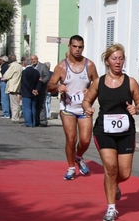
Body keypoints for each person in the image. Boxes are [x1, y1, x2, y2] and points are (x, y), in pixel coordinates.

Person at [82, 43, 139, 221]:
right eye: (114, 58)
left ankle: (114, 184)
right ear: (107, 61)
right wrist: (88, 109)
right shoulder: (98, 82)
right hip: (104, 131)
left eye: (121, 58)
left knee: (124, 173)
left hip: (126, 132)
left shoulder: (130, 82)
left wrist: (137, 109)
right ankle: (111, 208)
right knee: (110, 168)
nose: (118, 62)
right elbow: (87, 101)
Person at [47, 35, 98, 180]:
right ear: (69, 47)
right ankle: (71, 168)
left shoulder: (89, 65)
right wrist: (58, 87)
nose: (77, 50)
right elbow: (49, 86)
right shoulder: (62, 66)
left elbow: (98, 83)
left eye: (80, 47)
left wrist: (90, 90)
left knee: (86, 140)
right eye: (74, 46)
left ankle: (78, 156)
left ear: (83, 48)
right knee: (71, 139)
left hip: (84, 108)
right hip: (68, 108)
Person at [20, 57, 41, 127]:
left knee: (27, 108)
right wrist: (36, 90)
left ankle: (28, 123)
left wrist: (31, 90)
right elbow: (39, 82)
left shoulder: (24, 72)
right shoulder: (36, 72)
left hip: (27, 93)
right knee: (33, 108)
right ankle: (34, 122)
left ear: (25, 64)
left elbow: (26, 83)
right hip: (35, 93)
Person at [3, 55, 23, 124]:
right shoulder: (19, 66)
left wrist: (4, 78)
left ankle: (15, 118)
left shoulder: (13, 66)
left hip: (12, 86)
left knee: (13, 104)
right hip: (18, 85)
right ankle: (15, 117)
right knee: (16, 103)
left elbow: (6, 75)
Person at [31, 54, 50, 127]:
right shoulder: (31, 67)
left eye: (34, 59)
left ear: (37, 59)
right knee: (35, 105)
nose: (33, 61)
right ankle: (36, 120)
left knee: (41, 105)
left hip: (42, 89)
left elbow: (47, 76)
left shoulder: (43, 66)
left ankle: (43, 121)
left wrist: (43, 80)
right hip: (34, 90)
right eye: (32, 60)